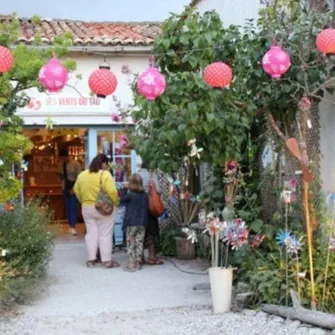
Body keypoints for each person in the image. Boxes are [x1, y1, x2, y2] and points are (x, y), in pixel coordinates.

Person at [74, 154, 120, 268]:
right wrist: (116, 203)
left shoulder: (82, 175)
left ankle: (91, 260)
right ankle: (106, 261)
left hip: (86, 208)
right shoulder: (105, 175)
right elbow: (112, 192)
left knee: (91, 233)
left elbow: (75, 190)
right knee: (105, 234)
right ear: (104, 163)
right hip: (103, 209)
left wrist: (83, 201)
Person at [120, 174, 148, 272]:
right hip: (142, 222)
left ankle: (131, 264)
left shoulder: (130, 195)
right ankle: (138, 263)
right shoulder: (144, 195)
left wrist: (123, 189)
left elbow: (121, 201)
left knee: (131, 243)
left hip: (131, 222)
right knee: (139, 242)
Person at [138, 162, 164, 265]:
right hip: (150, 207)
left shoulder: (136, 175)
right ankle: (152, 257)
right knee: (151, 231)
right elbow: (158, 190)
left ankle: (139, 258)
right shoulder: (152, 175)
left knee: (140, 231)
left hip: (138, 207)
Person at [57, 149, 82, 236]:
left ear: (67, 156)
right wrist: (60, 181)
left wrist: (74, 189)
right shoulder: (61, 164)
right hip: (65, 188)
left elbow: (79, 177)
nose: (63, 160)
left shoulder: (75, 164)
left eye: (63, 158)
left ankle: (73, 226)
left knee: (73, 207)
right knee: (68, 207)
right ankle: (70, 225)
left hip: (73, 187)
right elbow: (59, 175)